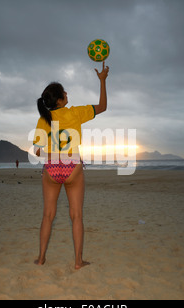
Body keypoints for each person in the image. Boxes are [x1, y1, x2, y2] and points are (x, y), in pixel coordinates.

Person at [33, 61, 109, 270]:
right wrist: (102, 81)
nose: (68, 94)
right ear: (60, 99)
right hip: (73, 168)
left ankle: (40, 259)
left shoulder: (43, 119)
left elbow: (37, 151)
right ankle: (77, 262)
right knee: (76, 215)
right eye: (65, 92)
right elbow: (102, 107)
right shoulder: (75, 112)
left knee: (48, 215)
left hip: (51, 168)